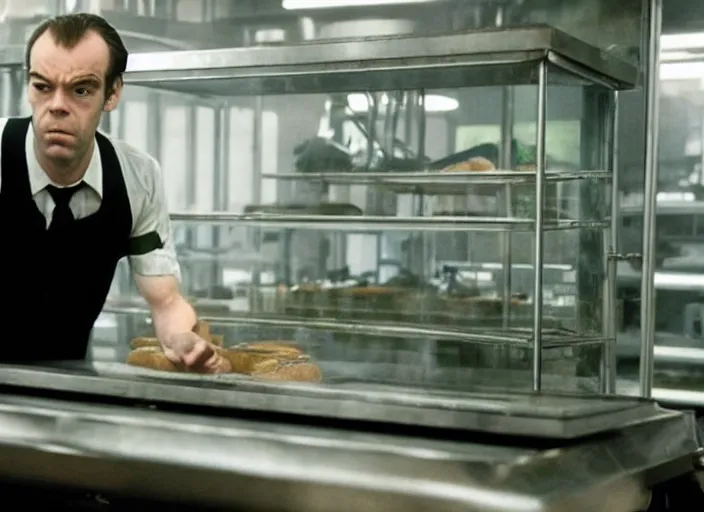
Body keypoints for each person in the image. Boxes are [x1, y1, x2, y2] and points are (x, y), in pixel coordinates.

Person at [0, 13, 228, 373]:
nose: (57, 105)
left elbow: (166, 301)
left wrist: (182, 339)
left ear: (113, 93)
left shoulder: (138, 178)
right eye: (42, 86)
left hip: (66, 389)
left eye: (81, 90)